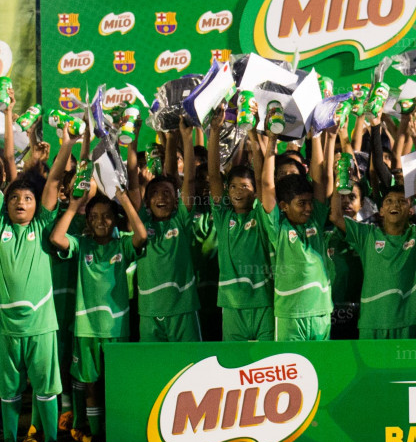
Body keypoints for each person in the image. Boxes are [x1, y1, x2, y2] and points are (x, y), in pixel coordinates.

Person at [0, 122, 69, 442]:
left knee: (45, 388)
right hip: (4, 325)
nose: (21, 202)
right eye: (15, 198)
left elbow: (54, 182)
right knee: (8, 391)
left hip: (41, 323)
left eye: (27, 198)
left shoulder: (42, 226)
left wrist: (67, 144)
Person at [50, 182, 147, 442]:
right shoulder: (81, 245)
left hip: (118, 329)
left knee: (116, 384)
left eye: (106, 215)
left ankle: (119, 434)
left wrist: (124, 201)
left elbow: (141, 235)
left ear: (115, 219)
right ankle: (96, 436)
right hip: (86, 329)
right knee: (91, 386)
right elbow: (57, 238)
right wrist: (73, 207)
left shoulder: (123, 244)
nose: (100, 221)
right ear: (87, 222)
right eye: (93, 217)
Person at [256, 128, 336, 341]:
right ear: (283, 206)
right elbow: (266, 184)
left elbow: (321, 179)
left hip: (321, 311)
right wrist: (272, 142)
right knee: (291, 373)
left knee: (321, 370)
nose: (308, 208)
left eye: (309, 202)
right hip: (289, 315)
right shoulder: (277, 228)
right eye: (301, 204)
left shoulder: (316, 220)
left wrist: (318, 135)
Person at [206, 113, 275, 342]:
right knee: (235, 367)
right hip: (231, 305)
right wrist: (214, 131)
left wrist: (252, 134)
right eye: (233, 187)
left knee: (267, 364)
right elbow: (214, 176)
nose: (237, 191)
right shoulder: (223, 217)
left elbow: (260, 175)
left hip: (263, 302)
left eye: (244, 186)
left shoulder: (261, 216)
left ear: (254, 191)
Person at [332, 182, 416, 339]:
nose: (395, 205)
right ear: (381, 210)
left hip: (405, 321)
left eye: (402, 201)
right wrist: (339, 182)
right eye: (389, 201)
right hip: (371, 322)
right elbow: (335, 217)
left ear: (411, 209)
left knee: (404, 364)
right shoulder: (367, 235)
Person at [134, 122, 205, 343]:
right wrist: (132, 140)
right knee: (155, 371)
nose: (161, 198)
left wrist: (186, 136)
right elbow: (134, 189)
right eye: (155, 193)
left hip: (183, 309)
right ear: (147, 200)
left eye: (167, 193)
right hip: (149, 312)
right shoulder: (142, 223)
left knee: (193, 368)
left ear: (176, 200)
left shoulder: (181, 221)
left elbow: (189, 180)